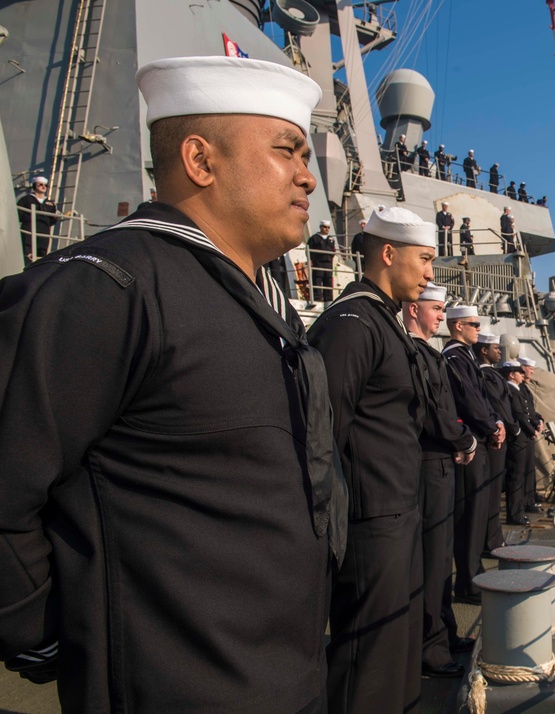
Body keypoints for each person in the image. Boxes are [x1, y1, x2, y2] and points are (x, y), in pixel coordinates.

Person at [0, 56, 346, 713]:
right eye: (287, 151)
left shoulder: (259, 305)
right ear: (200, 160)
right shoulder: (107, 286)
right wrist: (47, 634)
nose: (308, 176)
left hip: (287, 678)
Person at [308, 205, 436, 714]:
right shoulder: (352, 324)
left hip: (399, 513)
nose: (430, 274)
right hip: (370, 523)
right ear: (388, 253)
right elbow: (323, 437)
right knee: (367, 657)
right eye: (424, 259)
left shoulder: (382, 322)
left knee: (396, 649)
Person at [402, 283, 477, 679]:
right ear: (414, 310)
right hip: (429, 465)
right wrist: (463, 438)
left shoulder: (428, 353)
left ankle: (445, 633)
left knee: (441, 558)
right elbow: (432, 412)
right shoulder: (413, 351)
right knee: (432, 561)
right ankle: (431, 650)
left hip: (441, 464)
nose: (440, 317)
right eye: (435, 309)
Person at [442, 306, 504, 605]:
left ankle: (473, 575)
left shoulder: (465, 357)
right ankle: (467, 583)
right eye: (473, 324)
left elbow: (482, 398)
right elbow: (468, 400)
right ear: (457, 327)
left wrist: (497, 423)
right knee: (469, 516)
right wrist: (491, 426)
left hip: (481, 438)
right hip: (471, 443)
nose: (478, 329)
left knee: (478, 513)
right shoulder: (454, 357)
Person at [475, 333, 519, 552]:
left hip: (500, 436)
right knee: (491, 493)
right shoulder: (486, 375)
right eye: (495, 348)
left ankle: (493, 537)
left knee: (494, 491)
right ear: (484, 350)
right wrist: (512, 428)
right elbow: (498, 406)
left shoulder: (491, 374)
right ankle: (490, 541)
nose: (500, 351)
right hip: (495, 439)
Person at [502, 361, 535, 524]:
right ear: (511, 375)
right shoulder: (510, 390)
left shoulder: (517, 390)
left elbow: (526, 413)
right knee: (516, 477)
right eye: (519, 372)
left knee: (521, 475)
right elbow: (519, 414)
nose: (523, 375)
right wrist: (531, 431)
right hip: (518, 439)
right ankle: (514, 515)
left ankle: (519, 511)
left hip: (523, 437)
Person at [517, 356, 545, 511]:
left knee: (530, 468)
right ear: (522, 368)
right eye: (530, 369)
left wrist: (539, 419)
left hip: (528, 433)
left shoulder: (524, 387)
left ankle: (531, 495)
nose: (532, 372)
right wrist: (532, 428)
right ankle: (526, 501)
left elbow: (530, 411)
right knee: (523, 470)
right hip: (523, 434)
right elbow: (521, 412)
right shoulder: (518, 388)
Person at [16, 175, 59, 263]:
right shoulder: (26, 200)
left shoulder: (50, 203)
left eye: (45, 185)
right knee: (28, 253)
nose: (43, 187)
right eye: (40, 184)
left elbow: (52, 220)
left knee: (42, 254)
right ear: (35, 186)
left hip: (43, 232)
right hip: (29, 230)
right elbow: (18, 214)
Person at [307, 219, 336, 301]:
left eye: (328, 227)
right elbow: (309, 250)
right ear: (320, 227)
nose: (326, 229)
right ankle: (317, 298)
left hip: (328, 263)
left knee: (328, 281)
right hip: (318, 262)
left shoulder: (331, 239)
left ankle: (329, 299)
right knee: (317, 280)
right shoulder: (314, 238)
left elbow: (333, 250)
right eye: (325, 227)